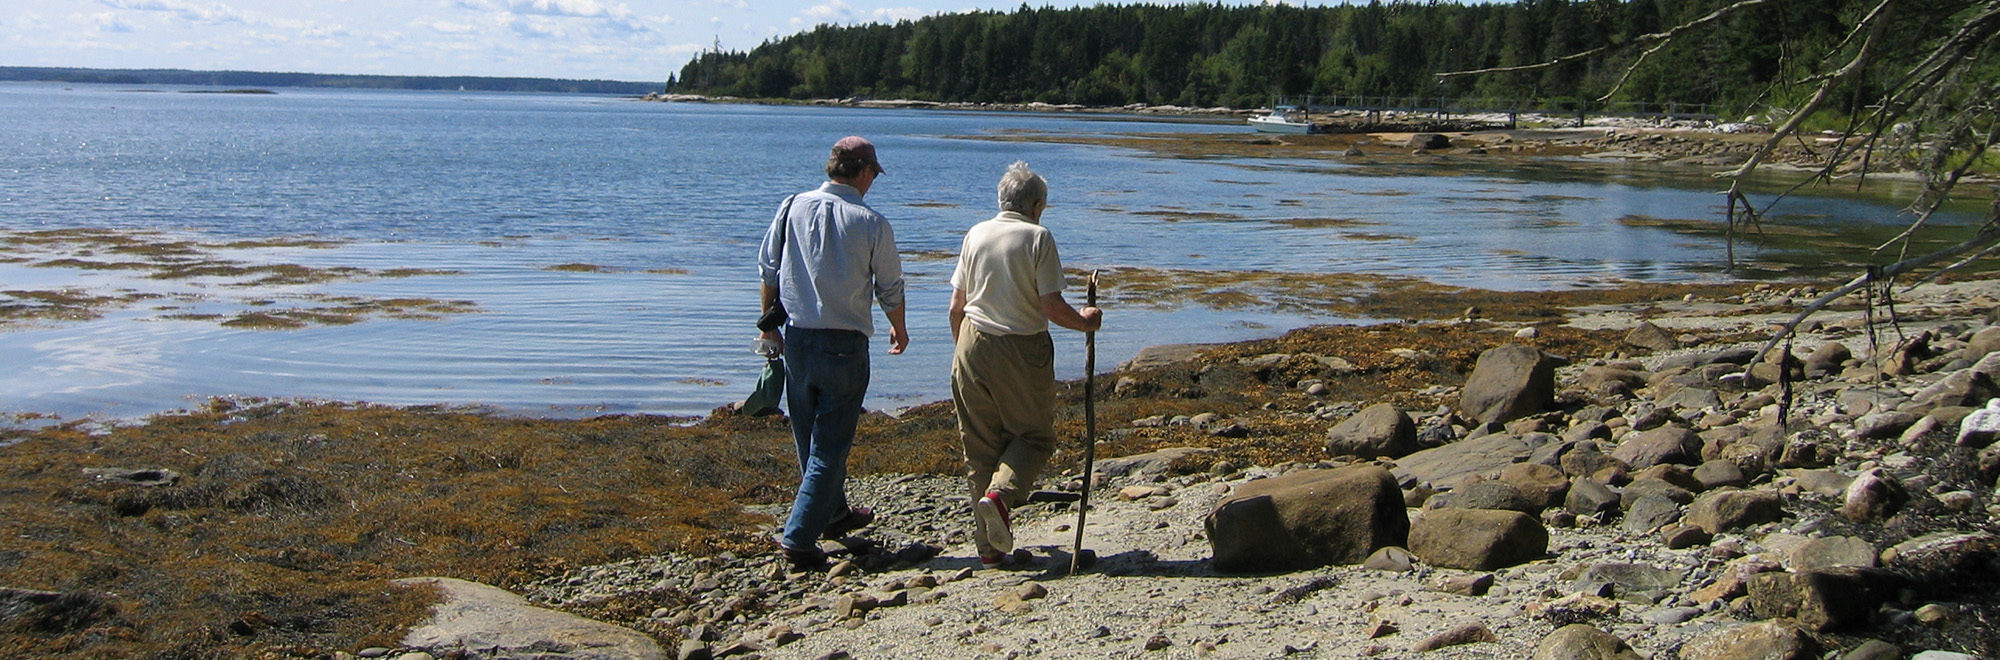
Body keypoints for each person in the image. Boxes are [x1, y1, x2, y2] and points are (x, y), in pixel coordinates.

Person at [758, 136, 910, 569]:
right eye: (873, 175)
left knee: (808, 438)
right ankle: (799, 537)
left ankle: (835, 512)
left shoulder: (791, 207)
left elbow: (768, 269)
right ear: (863, 172)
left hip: (798, 338)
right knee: (829, 446)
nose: (873, 183)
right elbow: (890, 288)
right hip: (844, 344)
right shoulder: (870, 222)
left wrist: (771, 331)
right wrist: (899, 330)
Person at [947, 160, 1101, 569]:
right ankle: (1000, 497)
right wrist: (1085, 322)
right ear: (1036, 206)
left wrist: (962, 350)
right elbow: (1050, 306)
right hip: (1020, 346)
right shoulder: (1038, 237)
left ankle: (990, 549)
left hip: (971, 342)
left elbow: (956, 306)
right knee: (1034, 438)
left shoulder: (975, 233)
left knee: (980, 447)